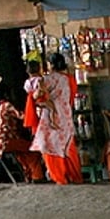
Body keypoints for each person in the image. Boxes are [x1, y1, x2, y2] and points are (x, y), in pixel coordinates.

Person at [29, 54, 83, 184]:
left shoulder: (49, 79)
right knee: (67, 146)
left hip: (51, 116)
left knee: (49, 146)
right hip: (66, 115)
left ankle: (59, 177)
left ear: (51, 64)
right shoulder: (70, 79)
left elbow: (36, 94)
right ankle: (74, 177)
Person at [0, 86, 45, 182]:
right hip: (7, 140)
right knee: (34, 150)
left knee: (23, 153)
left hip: (1, 141)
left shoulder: (0, 106)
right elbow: (24, 117)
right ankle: (37, 177)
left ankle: (31, 176)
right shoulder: (8, 105)